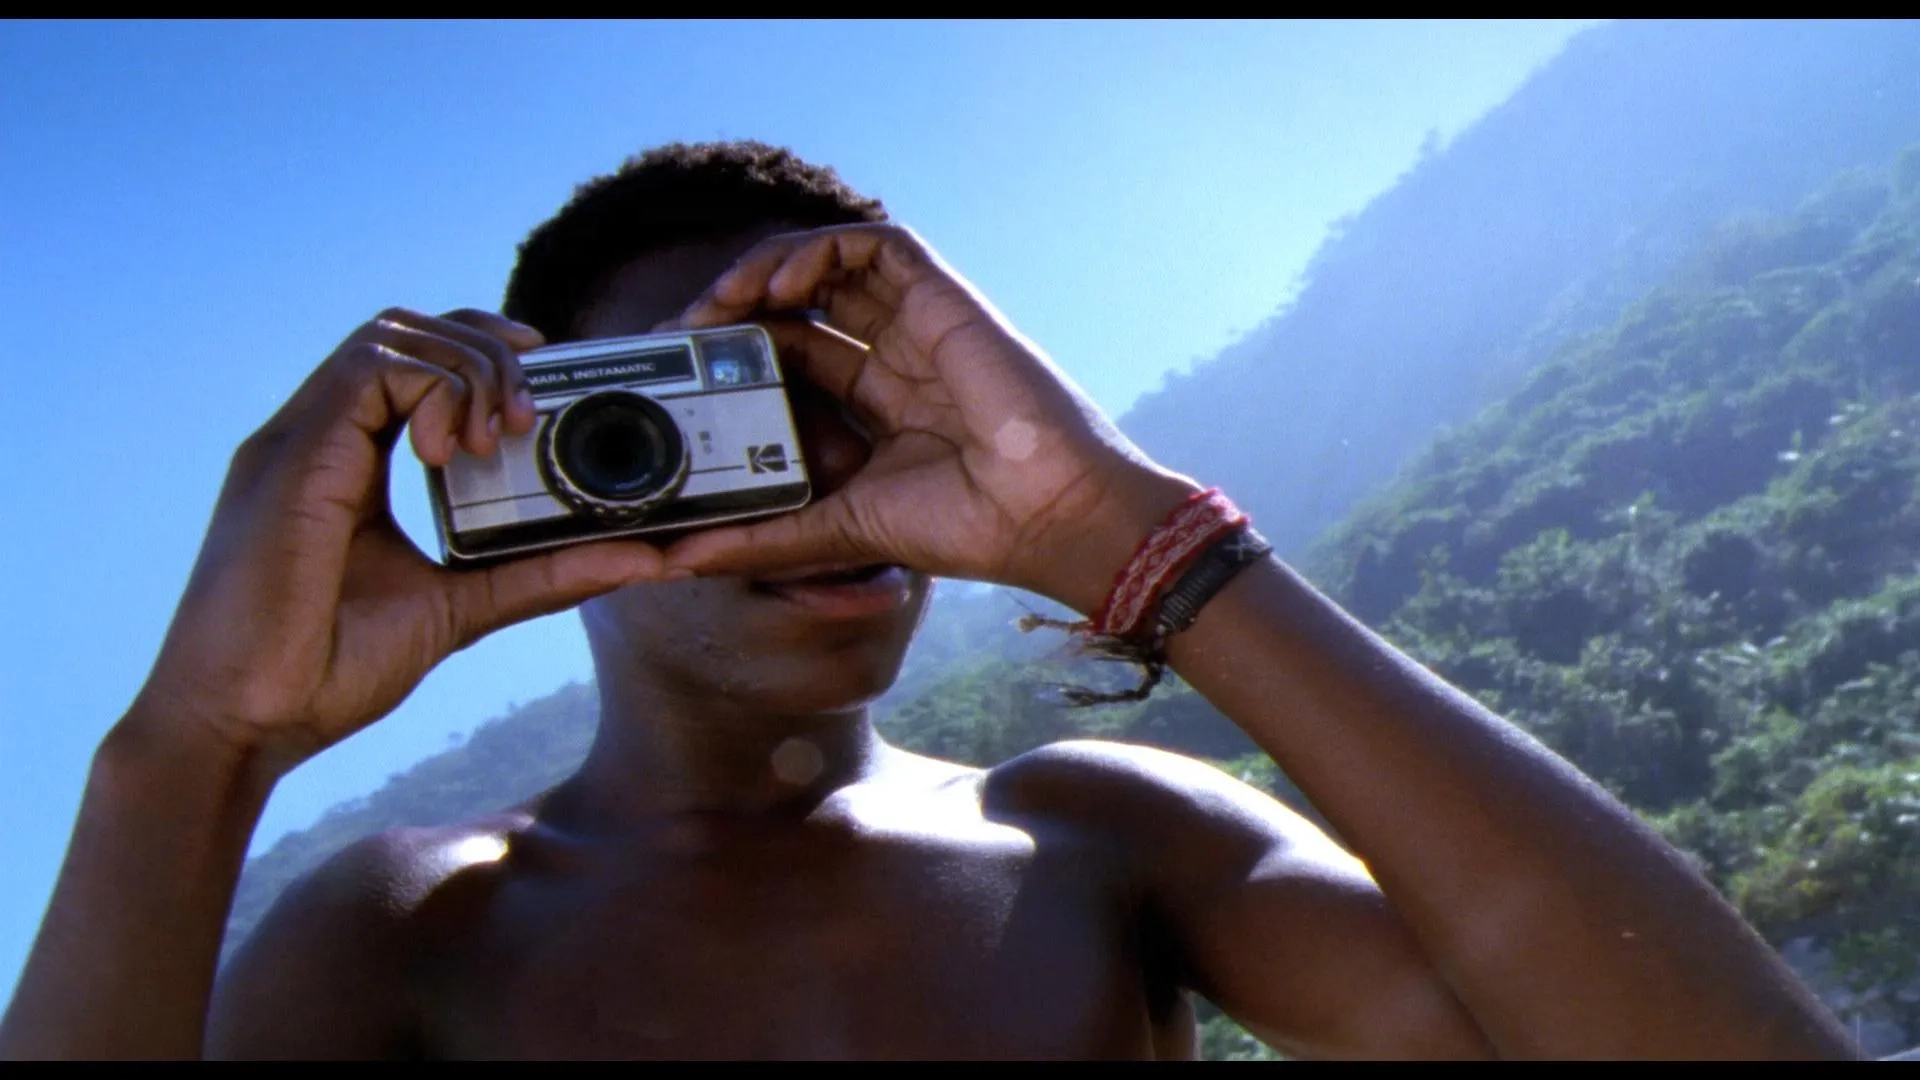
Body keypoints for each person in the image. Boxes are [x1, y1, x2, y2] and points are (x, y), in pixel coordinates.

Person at [0, 142, 1861, 1061]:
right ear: (520, 465)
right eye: (695, 421)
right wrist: (192, 757)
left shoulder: (1090, 829)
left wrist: (1143, 543)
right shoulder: (404, 927)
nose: (814, 473)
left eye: (859, 403)